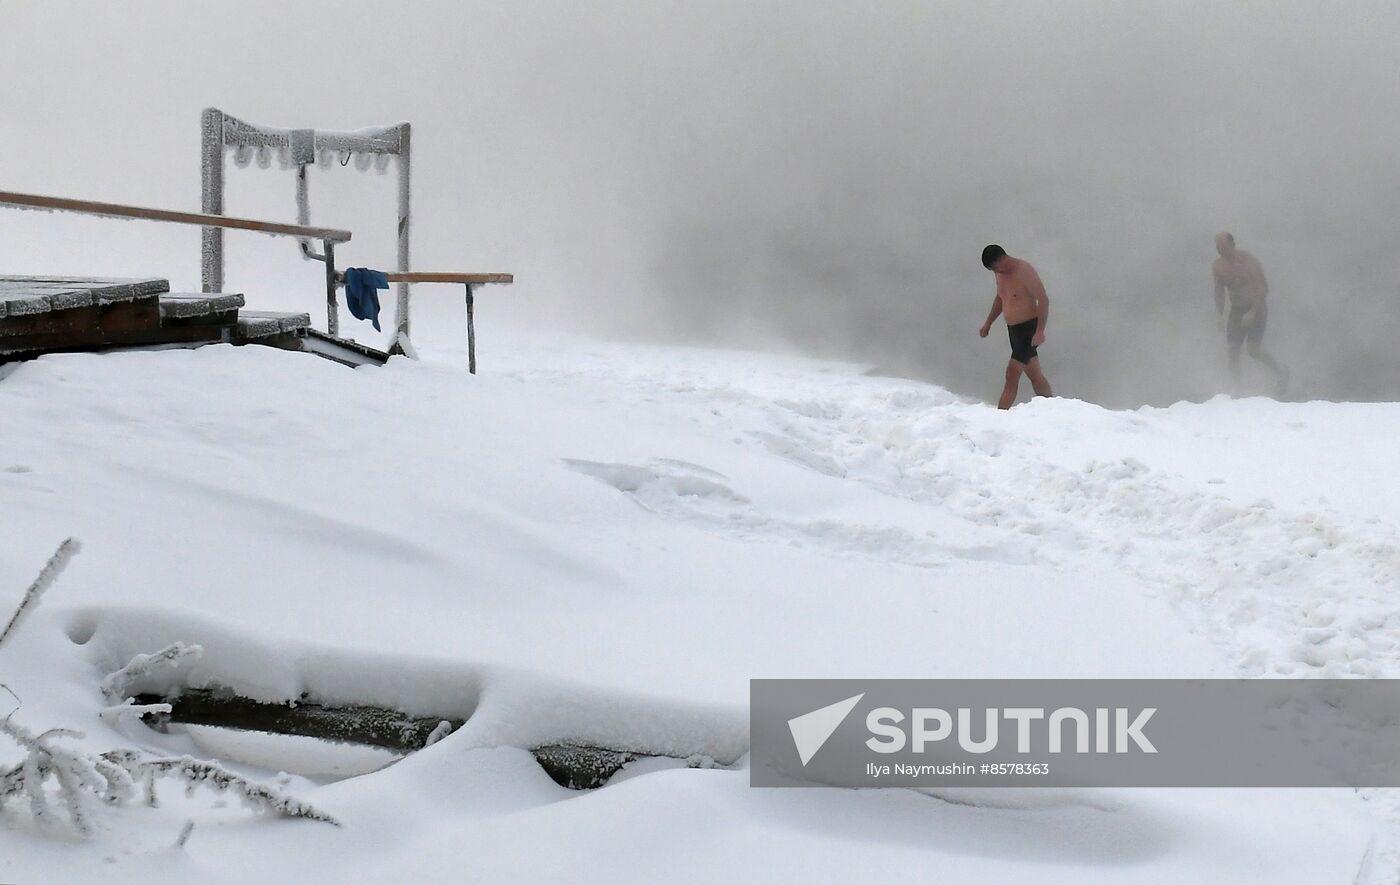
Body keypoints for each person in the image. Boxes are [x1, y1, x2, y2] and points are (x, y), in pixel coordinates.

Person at [978, 244, 1053, 409]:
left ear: (1002, 259)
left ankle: (1000, 415)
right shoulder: (1000, 274)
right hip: (1014, 331)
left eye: (995, 267)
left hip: (1028, 328)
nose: (996, 272)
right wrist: (988, 323)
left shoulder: (1024, 270)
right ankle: (1052, 406)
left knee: (1012, 373)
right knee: (1035, 375)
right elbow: (1001, 298)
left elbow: (1043, 299)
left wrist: (1040, 330)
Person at [1212, 232, 1288, 395]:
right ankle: (1237, 387)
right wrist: (1219, 315)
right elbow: (1219, 291)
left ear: (1233, 245)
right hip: (1237, 310)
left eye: (1224, 247)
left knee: (1253, 350)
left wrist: (1252, 312)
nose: (1222, 251)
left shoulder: (1248, 261)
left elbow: (1263, 288)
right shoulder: (1219, 266)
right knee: (1232, 349)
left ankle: (1280, 370)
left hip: (1257, 307)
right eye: (1219, 248)